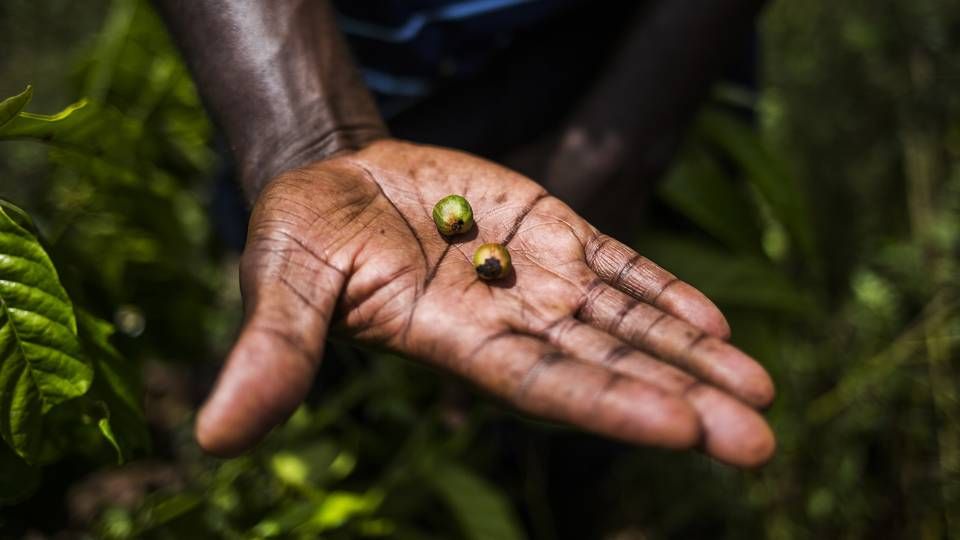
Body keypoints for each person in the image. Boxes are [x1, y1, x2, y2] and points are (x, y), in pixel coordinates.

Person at [154, 0, 775, 469]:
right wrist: (310, 139)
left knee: (568, 434)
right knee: (342, 364)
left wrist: (620, 148)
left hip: (626, 54)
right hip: (305, 58)